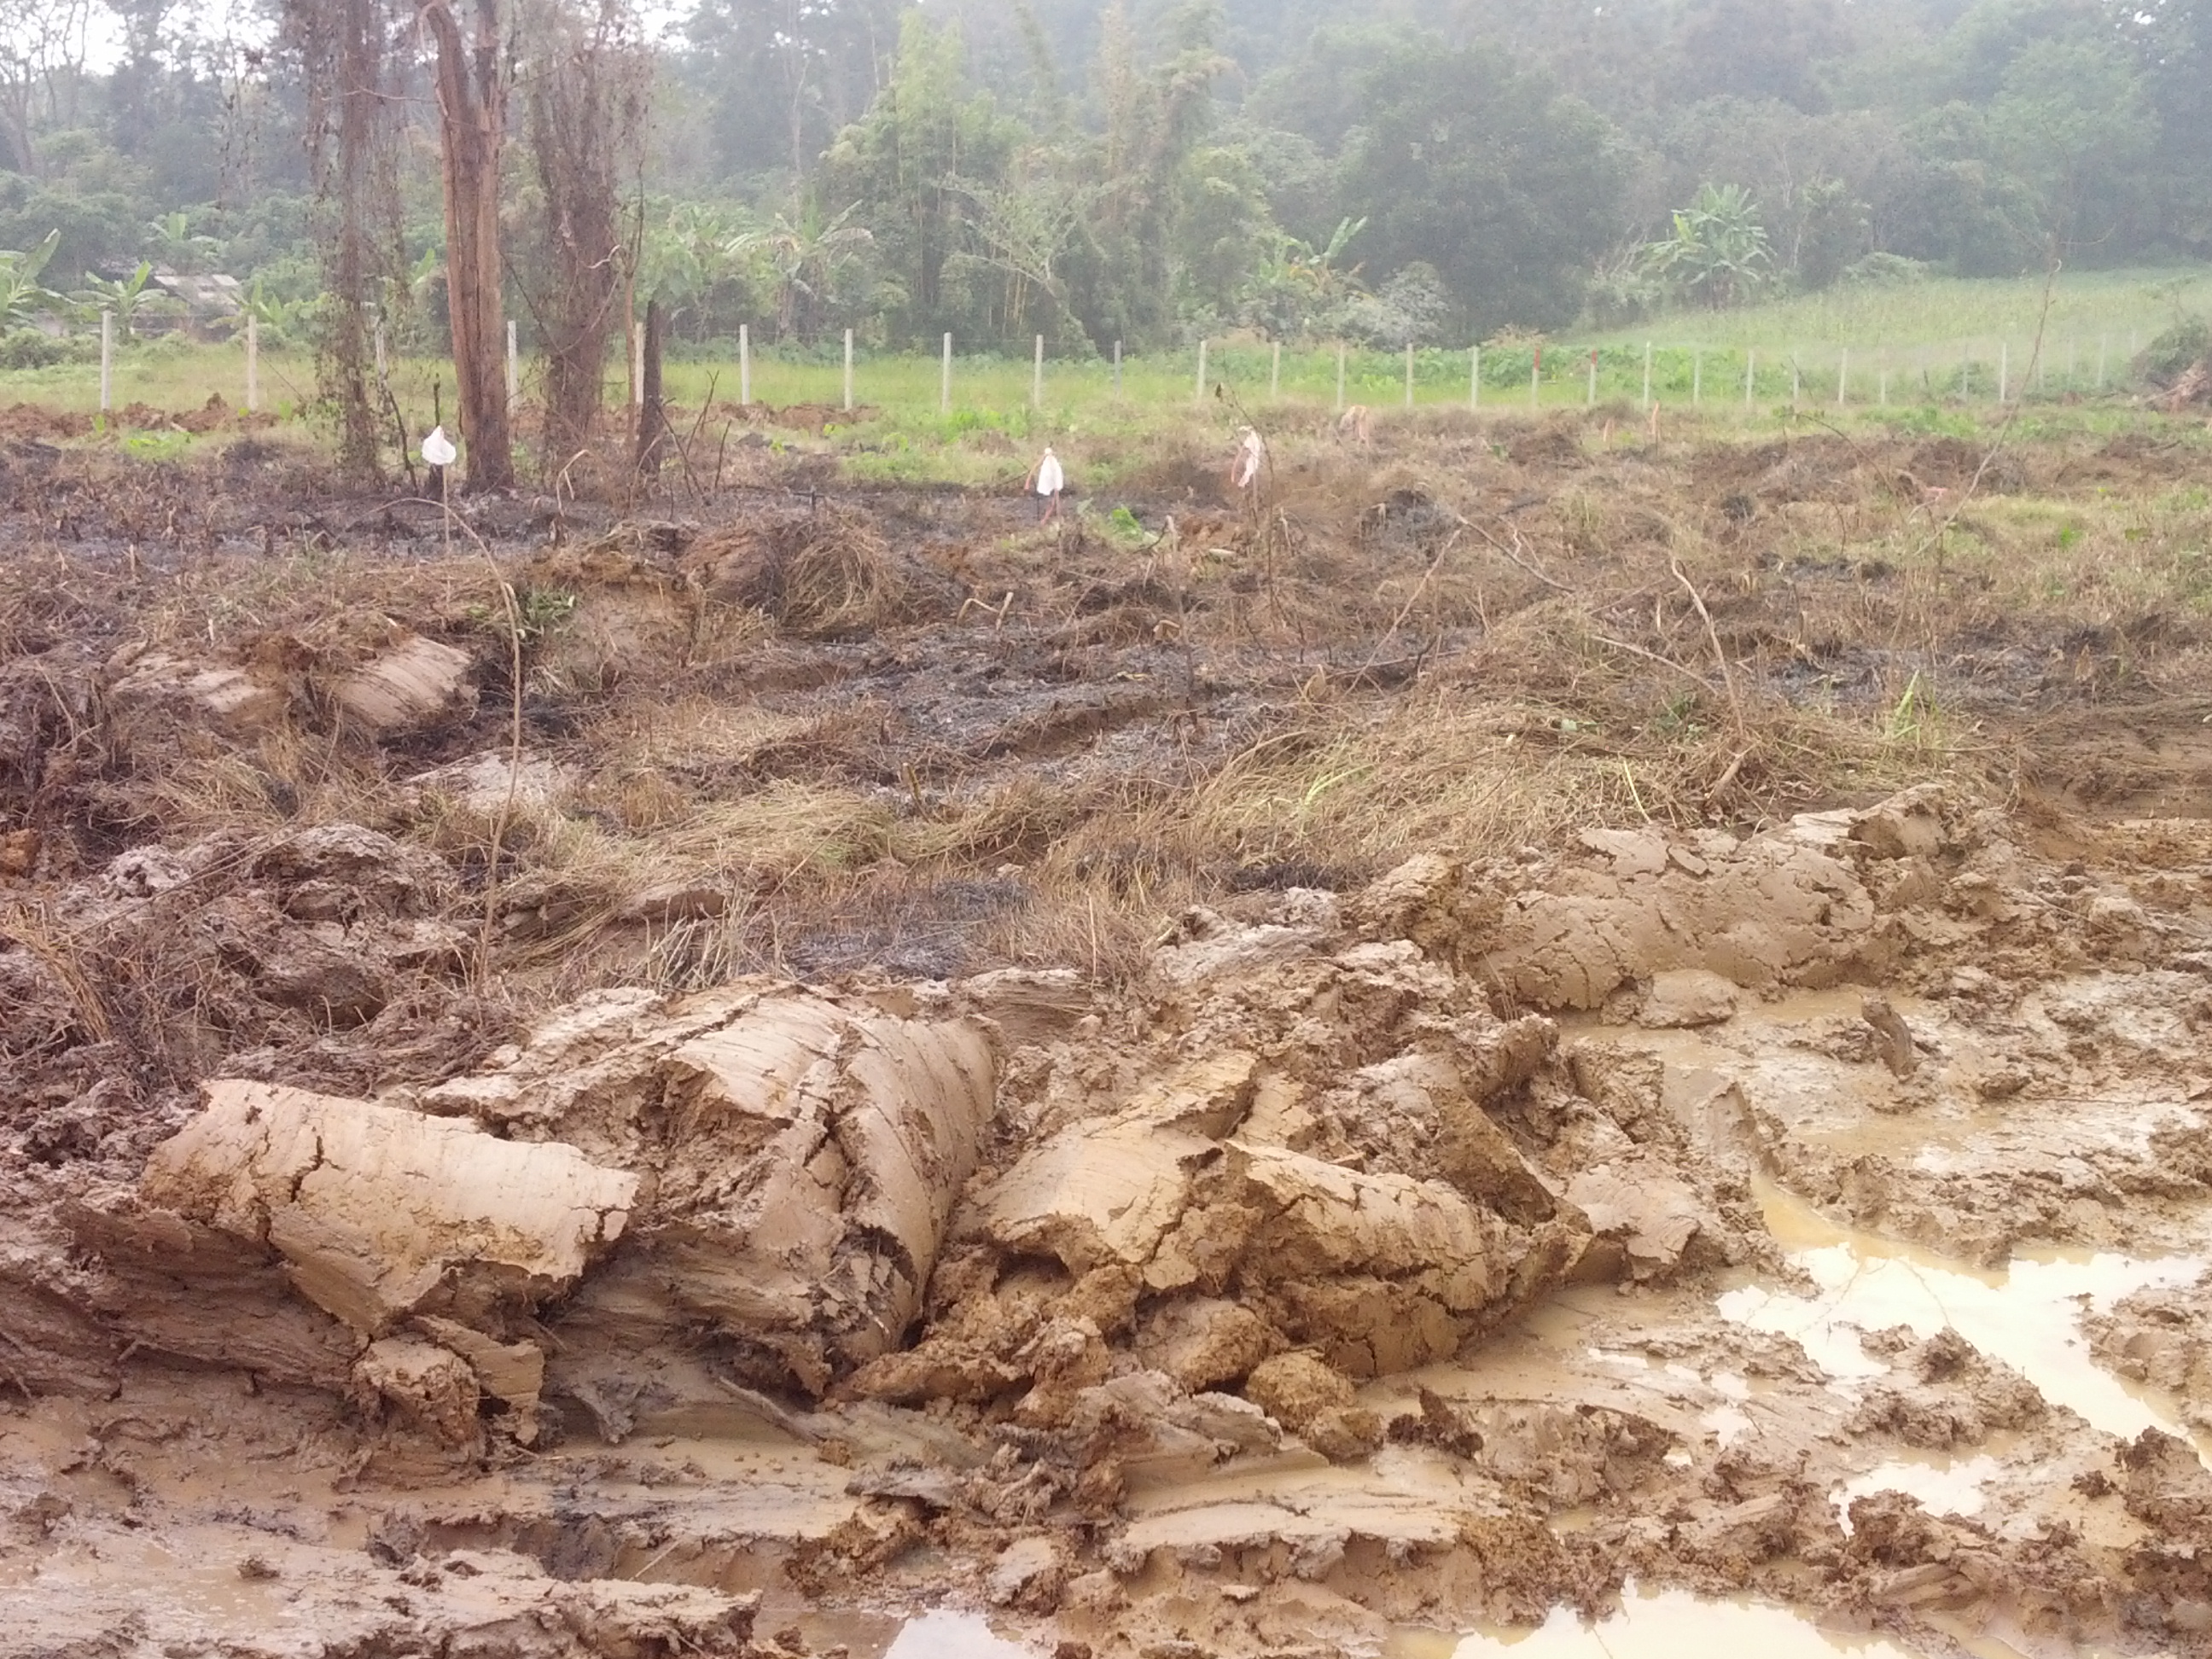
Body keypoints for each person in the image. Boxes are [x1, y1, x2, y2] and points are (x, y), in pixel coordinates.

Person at [1029, 445, 1065, 524]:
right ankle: (1049, 518)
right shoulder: (1047, 463)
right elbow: (1036, 466)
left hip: (1054, 482)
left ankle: (1049, 518)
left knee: (1054, 501)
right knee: (1052, 501)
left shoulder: (1054, 465)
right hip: (1049, 482)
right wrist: (1027, 482)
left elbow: (1056, 475)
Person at [1231, 426, 1266, 492]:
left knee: (1248, 444)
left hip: (1254, 454)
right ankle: (1252, 430)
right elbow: (1246, 477)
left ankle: (1251, 430)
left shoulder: (1250, 470)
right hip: (1254, 454)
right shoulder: (1250, 470)